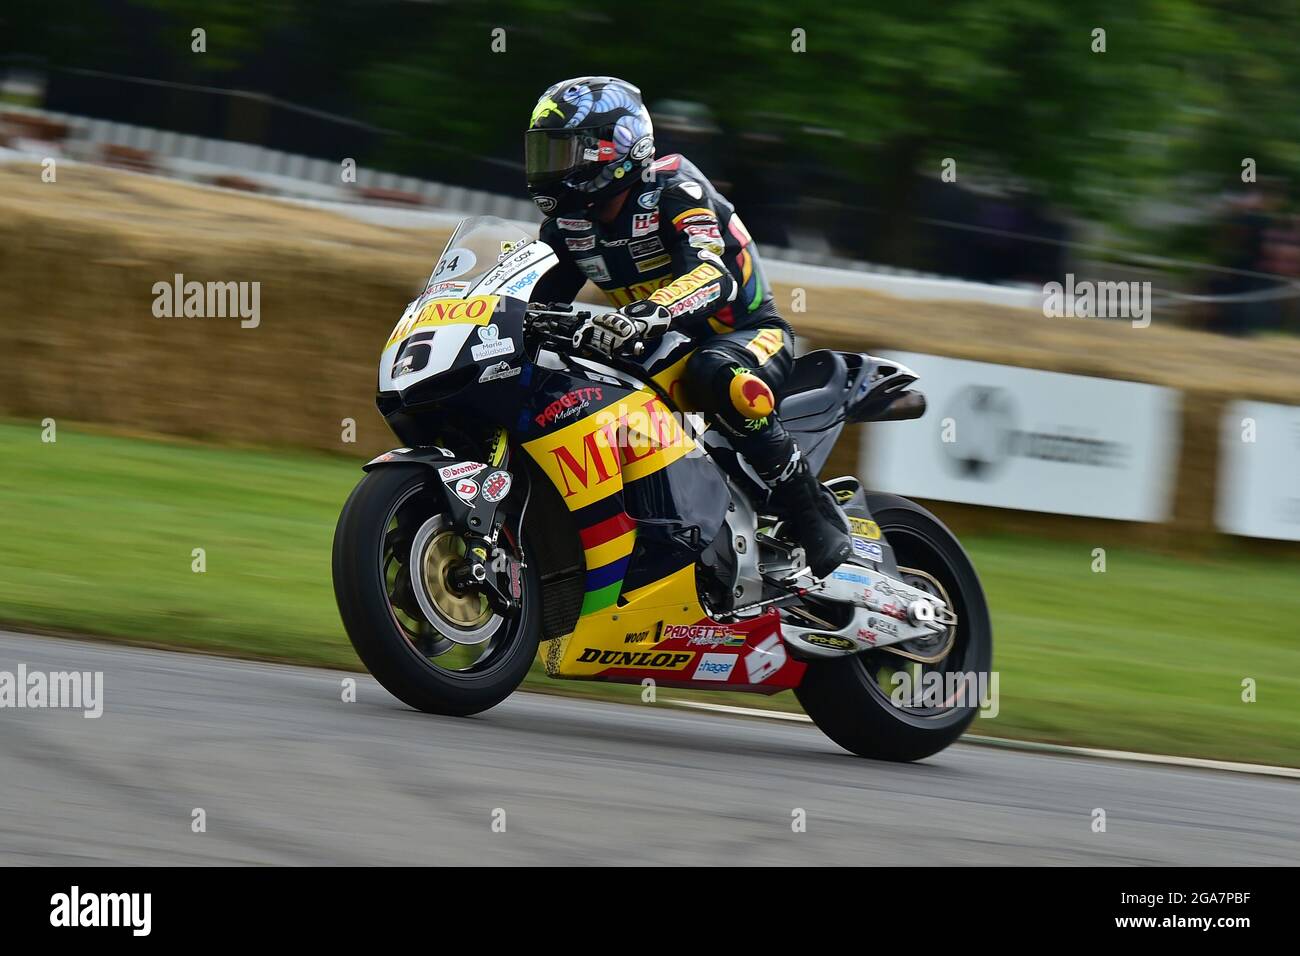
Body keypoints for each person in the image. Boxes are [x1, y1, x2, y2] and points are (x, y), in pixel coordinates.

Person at [525, 76, 850, 577]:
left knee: (714, 370)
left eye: (563, 153)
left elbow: (712, 273)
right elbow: (533, 300)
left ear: (614, 149)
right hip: (655, 343)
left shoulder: (676, 187)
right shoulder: (569, 225)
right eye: (543, 153)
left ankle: (812, 516)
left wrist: (651, 313)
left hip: (745, 334)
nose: (548, 169)